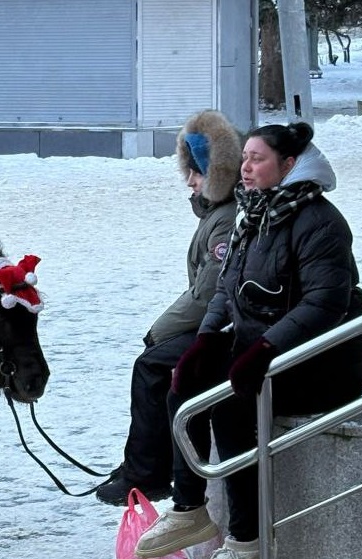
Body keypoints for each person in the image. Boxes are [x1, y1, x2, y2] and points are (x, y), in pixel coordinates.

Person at [135, 122, 362, 559]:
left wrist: (263, 350)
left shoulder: (319, 221)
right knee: (182, 382)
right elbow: (227, 287)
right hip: (264, 347)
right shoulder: (254, 213)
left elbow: (324, 303)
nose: (245, 168)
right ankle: (189, 510)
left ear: (288, 166)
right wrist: (205, 341)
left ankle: (246, 542)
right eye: (244, 157)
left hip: (322, 359)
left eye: (257, 159)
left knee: (229, 404)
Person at [95, 110, 242, 506]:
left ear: (217, 173)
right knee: (157, 362)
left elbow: (208, 292)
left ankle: (145, 473)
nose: (190, 182)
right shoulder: (216, 214)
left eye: (196, 173)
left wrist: (159, 330)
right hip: (223, 323)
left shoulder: (225, 219)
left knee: (152, 365)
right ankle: (140, 466)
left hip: (231, 330)